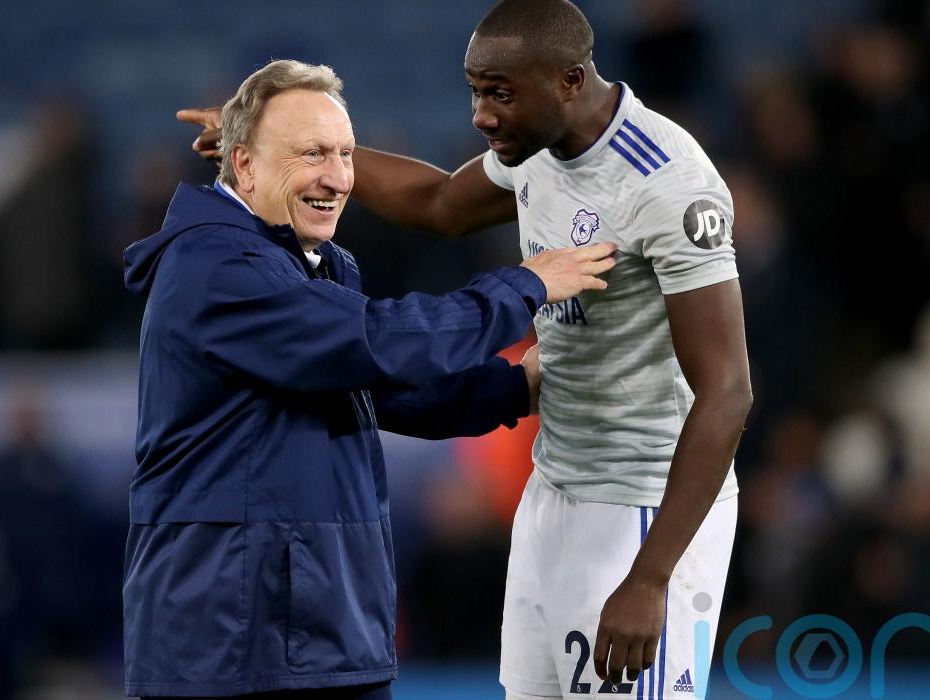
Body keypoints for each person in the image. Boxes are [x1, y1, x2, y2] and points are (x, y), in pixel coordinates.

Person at [179, 1, 752, 697]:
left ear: (569, 81)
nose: (482, 115)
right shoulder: (537, 146)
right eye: (477, 91)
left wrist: (652, 575)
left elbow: (727, 391)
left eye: (499, 94)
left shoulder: (668, 182)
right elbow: (439, 202)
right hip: (553, 490)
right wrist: (292, 151)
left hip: (641, 508)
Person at [125, 58, 616, 699]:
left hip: (312, 635)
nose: (337, 177)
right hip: (234, 647)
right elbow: (382, 341)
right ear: (243, 166)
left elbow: (386, 390)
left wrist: (515, 387)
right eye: (311, 153)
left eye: (345, 154)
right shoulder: (216, 266)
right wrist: (524, 286)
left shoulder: (306, 263)